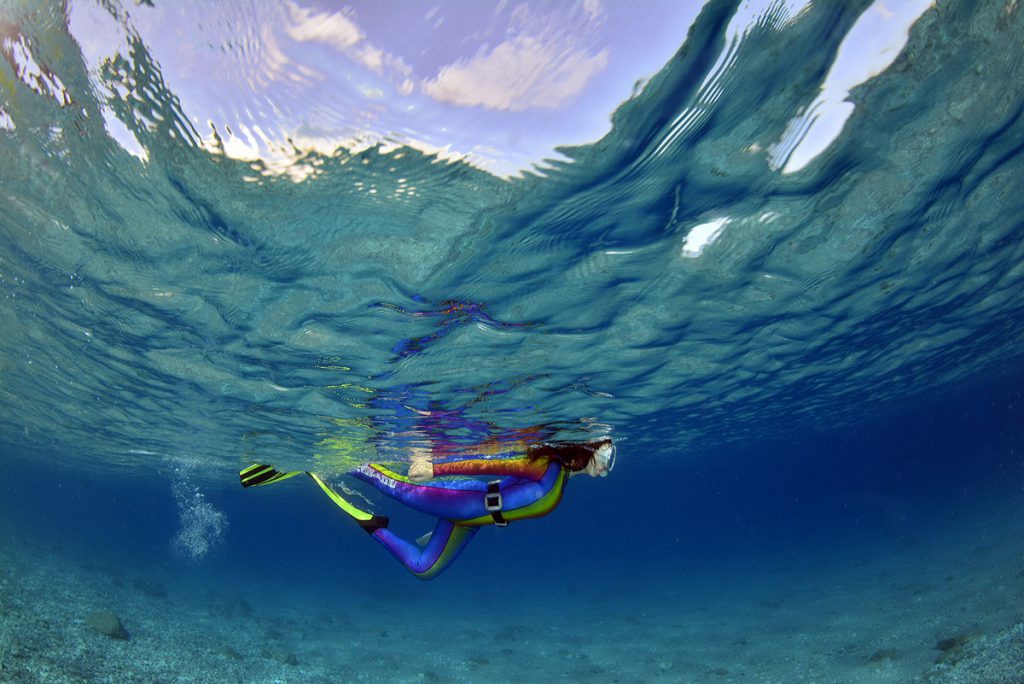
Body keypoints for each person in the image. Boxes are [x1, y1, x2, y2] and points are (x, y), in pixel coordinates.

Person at [240, 437, 616, 580]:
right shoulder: (547, 466)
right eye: (607, 458)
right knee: (373, 475)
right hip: (462, 500)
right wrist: (436, 467)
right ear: (590, 450)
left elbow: (515, 497)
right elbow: (489, 465)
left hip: (472, 520)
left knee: (424, 569)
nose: (606, 468)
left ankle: (371, 524)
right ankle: (313, 450)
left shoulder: (561, 476)